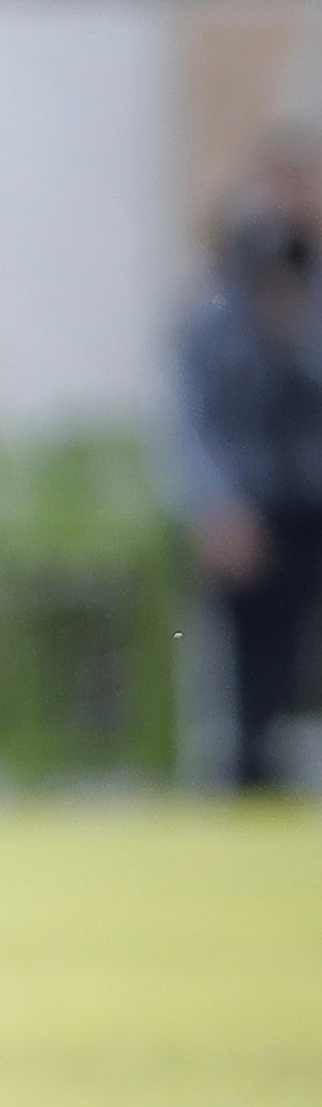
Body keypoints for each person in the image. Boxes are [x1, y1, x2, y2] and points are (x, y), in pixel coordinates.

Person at [176, 140, 322, 792]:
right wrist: (216, 503)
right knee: (251, 653)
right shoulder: (211, 310)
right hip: (251, 501)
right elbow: (190, 419)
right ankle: (249, 765)